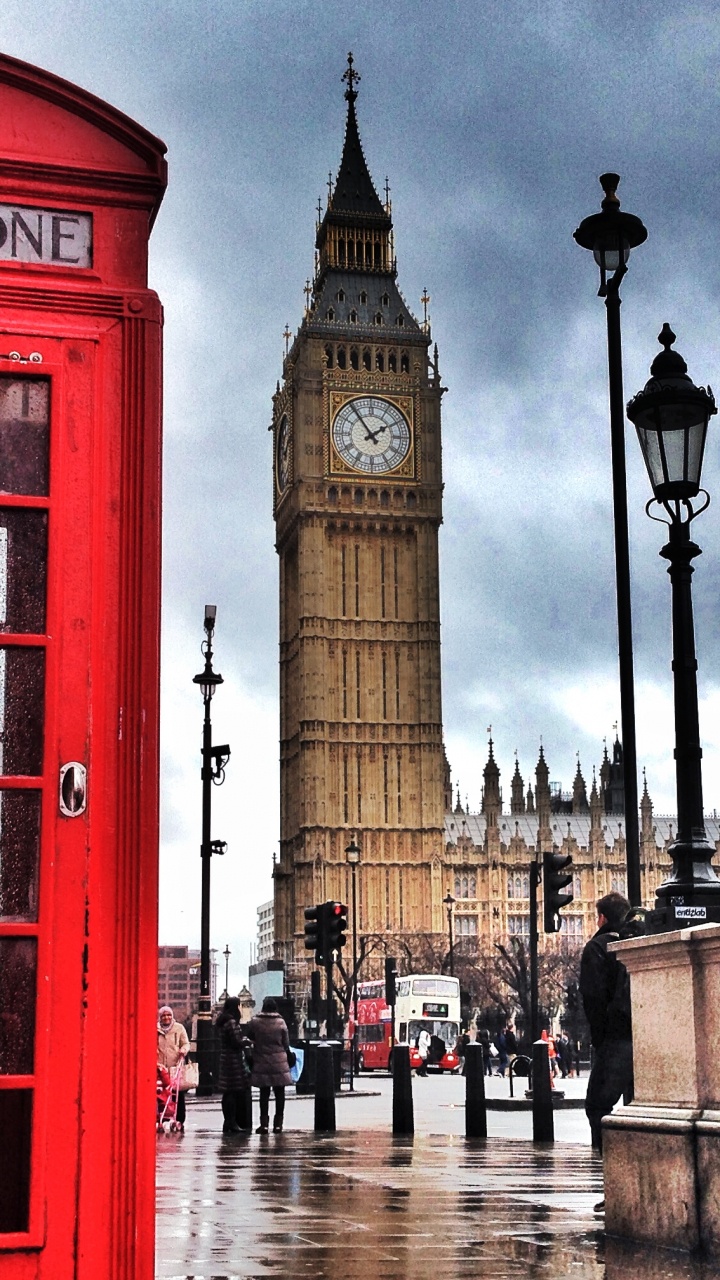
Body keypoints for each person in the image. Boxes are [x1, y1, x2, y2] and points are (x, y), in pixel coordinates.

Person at [580, 891, 638, 1154]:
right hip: (645, 1034)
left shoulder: (597, 947)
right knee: (640, 1104)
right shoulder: (640, 940)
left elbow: (593, 998)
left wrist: (600, 1039)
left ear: (602, 918)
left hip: (616, 1037)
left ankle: (608, 1165)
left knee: (597, 1105)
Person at [246, 997, 293, 1133]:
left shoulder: (255, 1022)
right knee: (280, 1094)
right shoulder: (281, 1022)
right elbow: (286, 1043)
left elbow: (249, 1039)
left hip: (262, 1061)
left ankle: (264, 1124)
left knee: (264, 1094)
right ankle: (278, 1124)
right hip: (279, 1062)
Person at [216, 996, 251, 1134]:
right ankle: (232, 1122)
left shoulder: (223, 1020)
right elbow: (236, 1041)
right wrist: (246, 1041)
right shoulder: (231, 1022)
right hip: (233, 1061)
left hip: (225, 1059)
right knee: (233, 1091)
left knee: (227, 1092)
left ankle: (228, 1122)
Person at [157, 1005, 189, 1130]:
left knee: (178, 1092)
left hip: (175, 1064)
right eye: (164, 1015)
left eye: (168, 1015)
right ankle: (163, 1115)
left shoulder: (179, 1028)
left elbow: (185, 1043)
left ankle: (180, 1117)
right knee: (161, 1092)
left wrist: (183, 1050)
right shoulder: (156, 1029)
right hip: (161, 1066)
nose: (166, 1017)